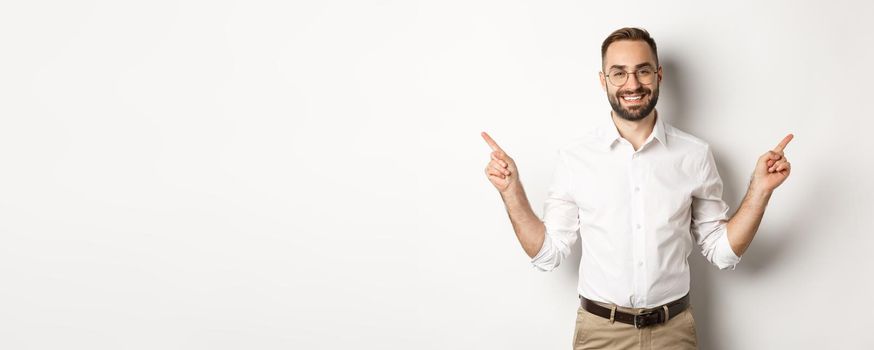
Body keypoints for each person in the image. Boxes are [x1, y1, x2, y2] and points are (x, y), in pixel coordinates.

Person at [480, 27, 793, 350]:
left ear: (658, 75)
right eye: (619, 73)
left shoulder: (695, 155)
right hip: (601, 333)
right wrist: (511, 191)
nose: (632, 84)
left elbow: (722, 251)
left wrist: (760, 190)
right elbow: (548, 254)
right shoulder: (575, 158)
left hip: (674, 332)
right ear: (603, 81)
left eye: (642, 71)